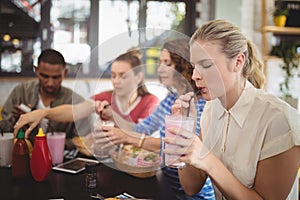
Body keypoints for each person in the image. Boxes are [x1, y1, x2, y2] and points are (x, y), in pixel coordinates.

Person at [164, 19, 300, 200]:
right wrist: (184, 135)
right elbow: (191, 187)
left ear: (238, 62)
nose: (195, 76)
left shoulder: (279, 120)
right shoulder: (210, 111)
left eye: (206, 65)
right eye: (195, 66)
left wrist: (207, 160)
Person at [98, 39, 215, 200]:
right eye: (159, 62)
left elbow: (180, 148)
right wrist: (113, 115)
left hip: (196, 196)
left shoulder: (202, 106)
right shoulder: (171, 98)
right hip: (170, 187)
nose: (160, 68)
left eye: (167, 63)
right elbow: (142, 128)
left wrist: (130, 139)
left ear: (184, 66)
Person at [14, 49, 159, 139]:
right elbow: (74, 110)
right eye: (113, 75)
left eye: (123, 76)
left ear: (138, 77)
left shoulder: (150, 102)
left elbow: (142, 135)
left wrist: (114, 118)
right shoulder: (105, 97)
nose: (116, 81)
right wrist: (44, 113)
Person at [2, 49, 91, 149]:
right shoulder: (21, 92)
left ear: (65, 73)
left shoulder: (75, 102)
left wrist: (54, 143)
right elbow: (3, 131)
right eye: (45, 76)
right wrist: (15, 119)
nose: (50, 83)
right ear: (36, 70)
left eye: (56, 77)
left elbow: (83, 141)